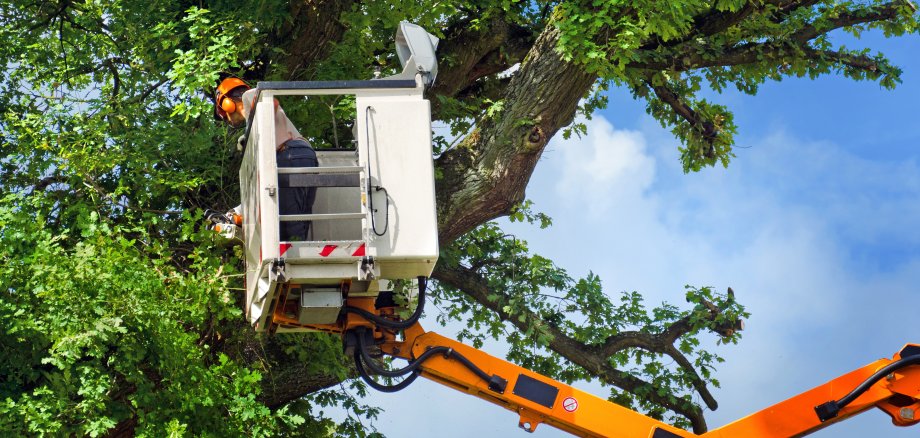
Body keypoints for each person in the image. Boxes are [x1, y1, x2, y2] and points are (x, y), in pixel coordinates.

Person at [215, 77, 317, 241]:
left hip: (289, 154)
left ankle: (292, 257)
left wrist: (252, 130)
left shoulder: (249, 97)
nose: (227, 120)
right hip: (303, 154)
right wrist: (236, 214)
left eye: (223, 115)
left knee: (288, 224)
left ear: (227, 103)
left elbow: (272, 103)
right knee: (298, 217)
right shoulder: (254, 125)